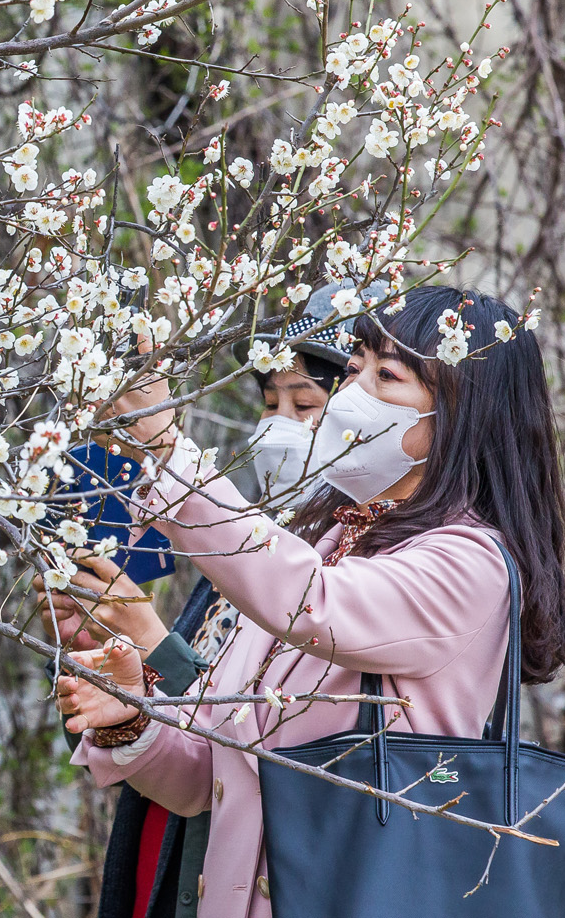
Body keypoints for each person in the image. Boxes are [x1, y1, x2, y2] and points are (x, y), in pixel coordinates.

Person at [53, 285, 565, 918]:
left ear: (464, 414)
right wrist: (129, 715)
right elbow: (214, 773)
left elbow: (312, 602)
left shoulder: (468, 564)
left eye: (387, 376)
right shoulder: (331, 540)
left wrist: (170, 451)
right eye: (356, 368)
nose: (355, 393)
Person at [38, 287, 355, 918]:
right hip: (177, 852)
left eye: (306, 404)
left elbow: (253, 722)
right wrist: (123, 668)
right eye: (270, 404)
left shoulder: (351, 576)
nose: (280, 427)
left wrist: (153, 640)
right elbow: (195, 734)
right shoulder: (245, 552)